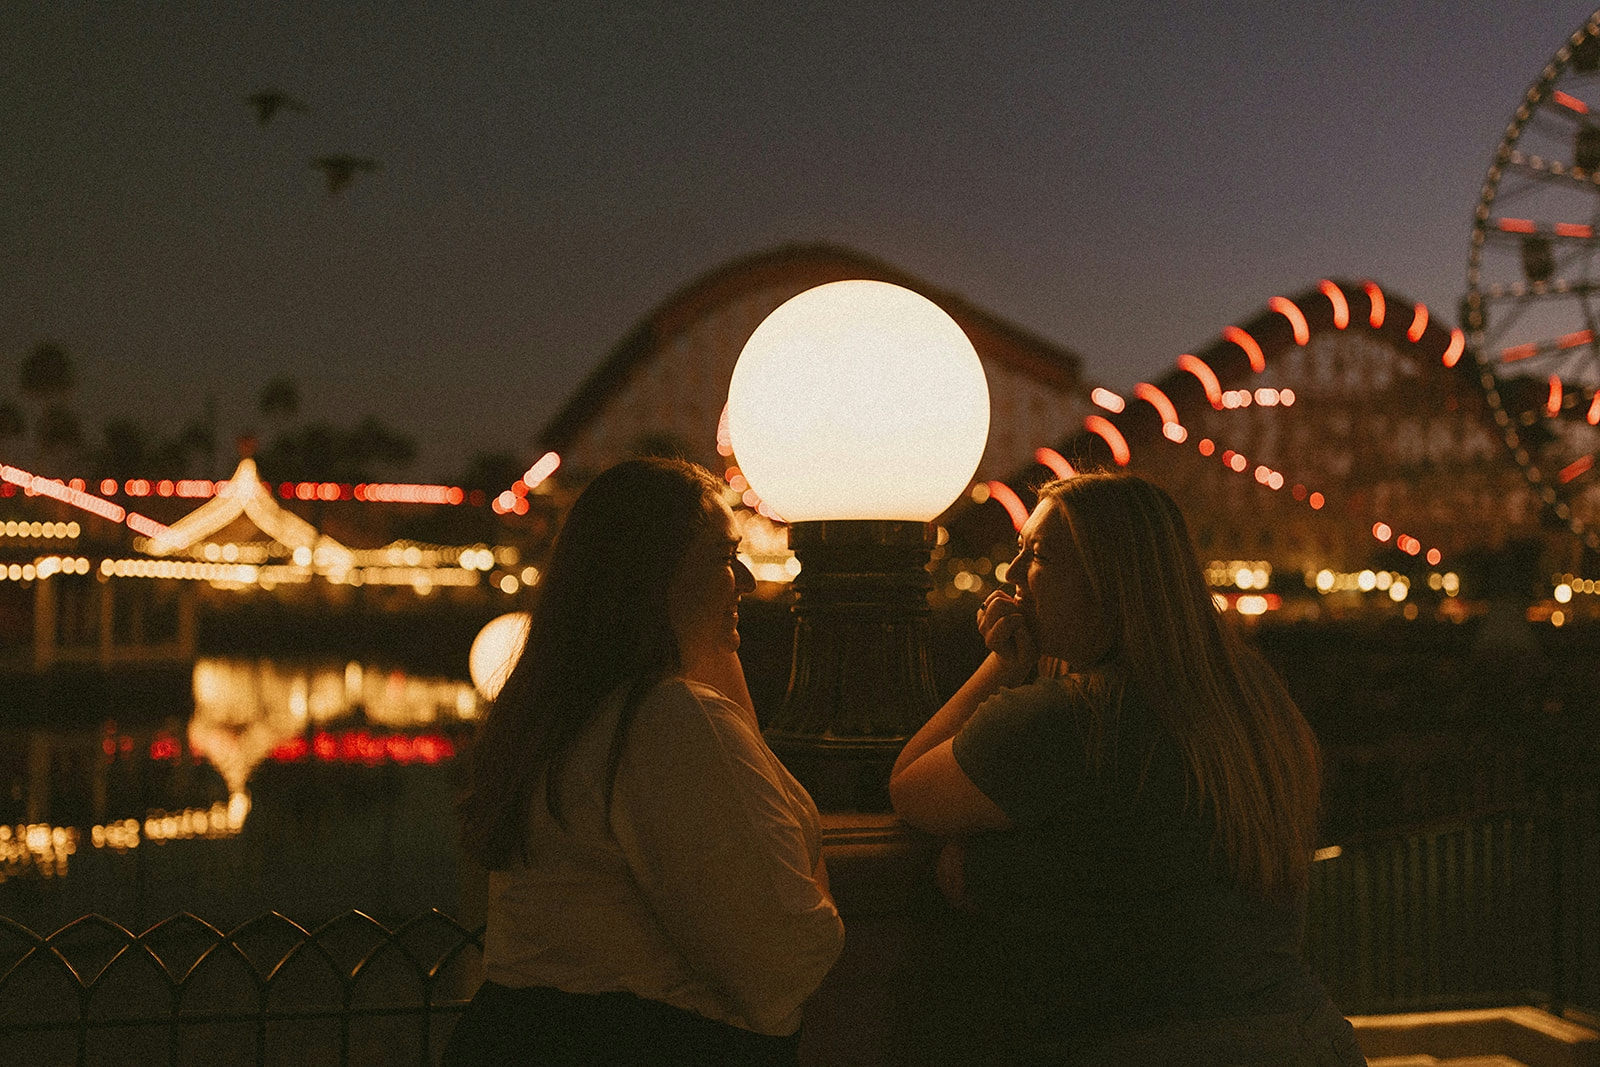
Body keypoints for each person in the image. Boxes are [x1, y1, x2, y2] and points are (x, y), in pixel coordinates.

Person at [889, 471, 1366, 1066]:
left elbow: (910, 788)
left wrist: (1002, 664)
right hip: (1306, 1040)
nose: (1011, 575)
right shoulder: (1254, 704)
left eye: (1037, 557)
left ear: (1108, 584)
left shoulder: (1068, 719)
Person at [446, 457, 843, 1066]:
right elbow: (785, 964)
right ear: (654, 574)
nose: (745, 579)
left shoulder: (567, 719)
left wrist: (710, 646)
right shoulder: (668, 722)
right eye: (723, 557)